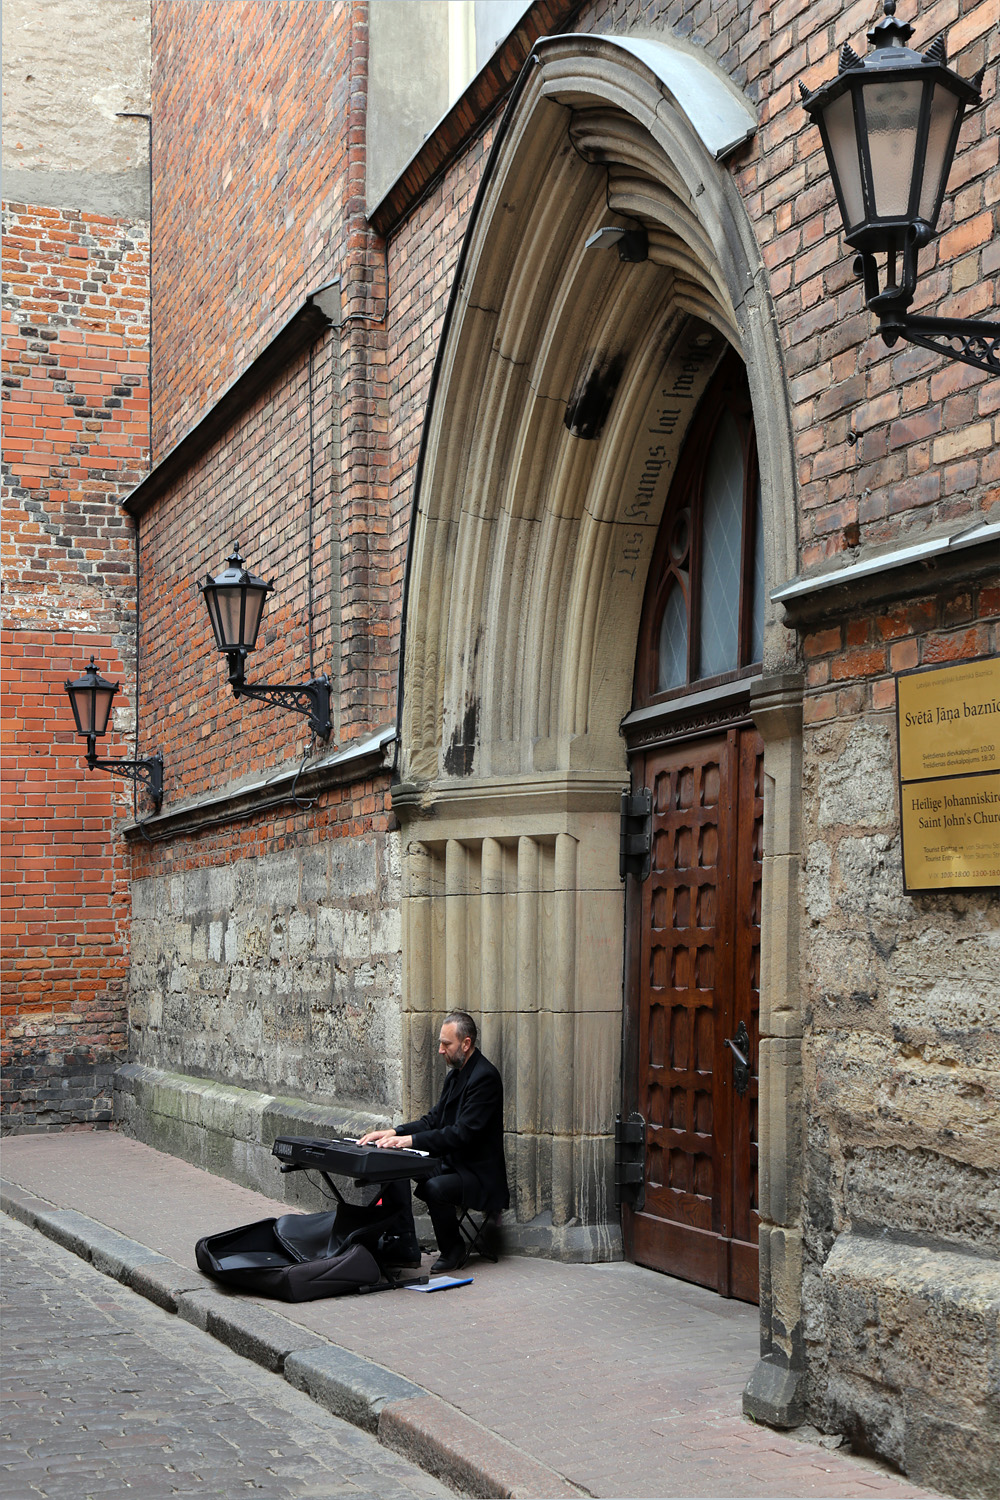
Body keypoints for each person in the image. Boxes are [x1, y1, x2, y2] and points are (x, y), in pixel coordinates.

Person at [359, 1010, 508, 1272]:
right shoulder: (456, 1074)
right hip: (453, 1163)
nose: (440, 1050)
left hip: (477, 1173)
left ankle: (453, 1249)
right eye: (441, 1043)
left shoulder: (485, 1077)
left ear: (466, 1043)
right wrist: (394, 1133)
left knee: (436, 1187)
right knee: (393, 1164)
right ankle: (402, 1243)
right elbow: (434, 1120)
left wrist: (411, 1141)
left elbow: (462, 1134)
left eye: (446, 1044)